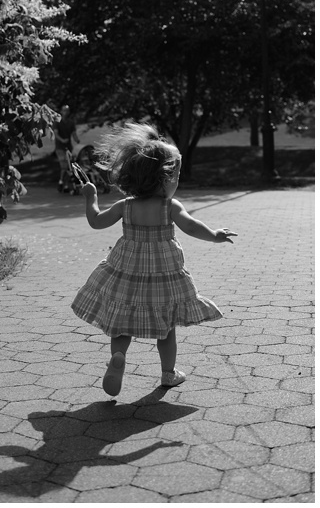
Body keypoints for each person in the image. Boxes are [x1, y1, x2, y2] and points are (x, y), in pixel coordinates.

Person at [70, 122, 236, 397]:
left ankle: (118, 357)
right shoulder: (170, 207)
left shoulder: (126, 206)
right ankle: (168, 373)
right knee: (166, 326)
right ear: (165, 178)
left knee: (122, 321)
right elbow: (192, 226)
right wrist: (215, 235)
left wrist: (91, 198)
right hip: (162, 276)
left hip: (127, 273)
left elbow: (96, 222)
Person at [53, 105, 80, 191]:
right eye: (64, 111)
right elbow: (56, 134)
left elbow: (74, 133)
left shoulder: (71, 122)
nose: (66, 113)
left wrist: (77, 140)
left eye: (67, 111)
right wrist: (62, 140)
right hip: (60, 147)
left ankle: (65, 185)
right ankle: (61, 182)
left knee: (70, 167)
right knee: (64, 166)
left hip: (68, 147)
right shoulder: (57, 122)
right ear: (61, 111)